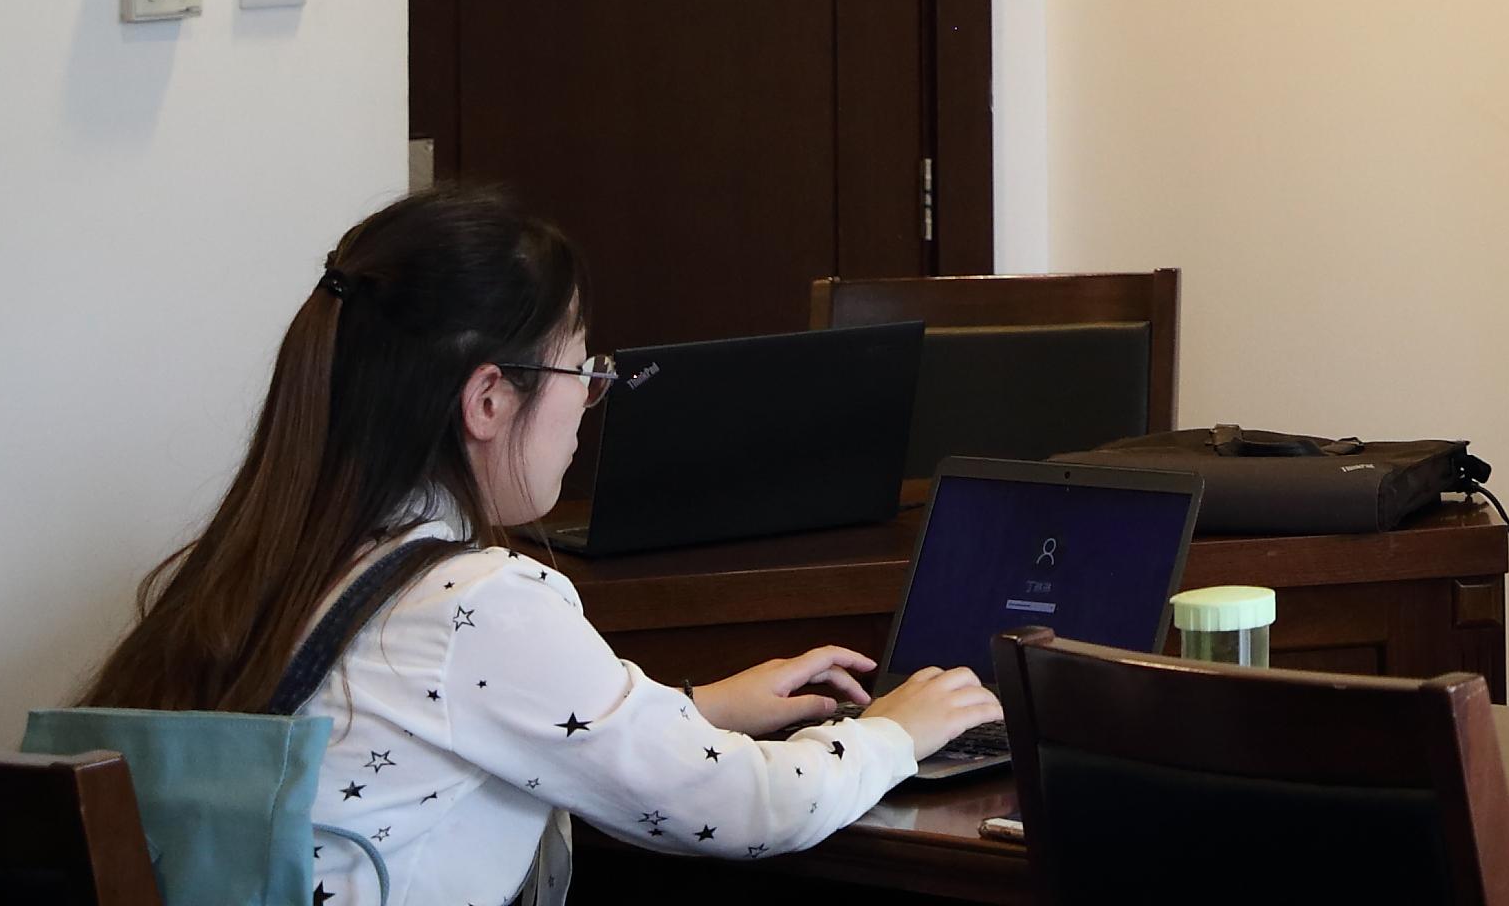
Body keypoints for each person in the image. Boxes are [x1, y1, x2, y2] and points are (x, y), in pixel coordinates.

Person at [83, 187, 999, 900]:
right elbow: (751, 809)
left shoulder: (278, 560)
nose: (590, 399)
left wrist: (701, 708)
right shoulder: (477, 601)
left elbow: (468, 720)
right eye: (582, 368)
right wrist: (895, 732)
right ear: (488, 400)